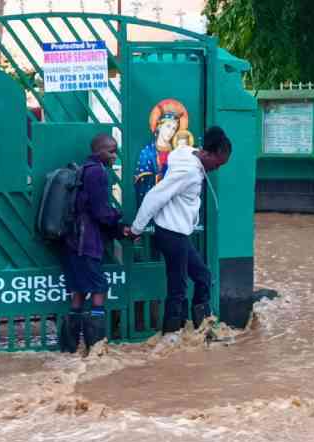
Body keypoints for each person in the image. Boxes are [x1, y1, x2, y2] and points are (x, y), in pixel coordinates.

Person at [129, 126, 232, 339]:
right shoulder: (188, 172)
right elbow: (154, 196)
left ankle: (201, 328)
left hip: (178, 233)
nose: (217, 169)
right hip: (170, 233)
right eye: (217, 163)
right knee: (178, 285)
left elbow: (181, 152)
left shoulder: (186, 153)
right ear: (208, 153)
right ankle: (171, 335)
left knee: (203, 276)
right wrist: (136, 228)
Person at [60, 133, 129, 354]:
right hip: (86, 242)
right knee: (99, 288)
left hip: (71, 241)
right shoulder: (97, 172)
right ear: (98, 151)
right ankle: (96, 347)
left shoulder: (82, 170)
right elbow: (101, 213)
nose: (114, 155)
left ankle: (69, 349)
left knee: (78, 291)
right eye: (111, 151)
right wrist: (118, 217)